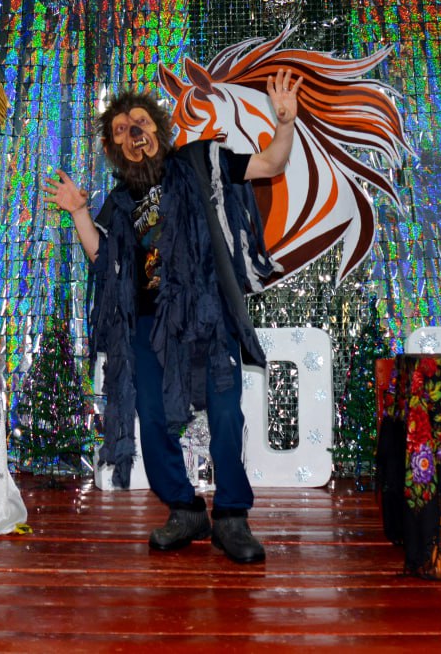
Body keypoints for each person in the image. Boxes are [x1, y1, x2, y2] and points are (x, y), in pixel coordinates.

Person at [45, 70, 299, 563]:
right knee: (153, 416)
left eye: (140, 122)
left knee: (225, 412)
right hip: (148, 324)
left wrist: (284, 122)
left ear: (159, 128)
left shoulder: (200, 162)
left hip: (205, 314)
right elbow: (104, 260)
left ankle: (232, 516)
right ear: (112, 148)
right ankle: (185, 508)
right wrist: (79, 212)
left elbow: (270, 162)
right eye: (120, 130)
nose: (132, 133)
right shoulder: (120, 202)